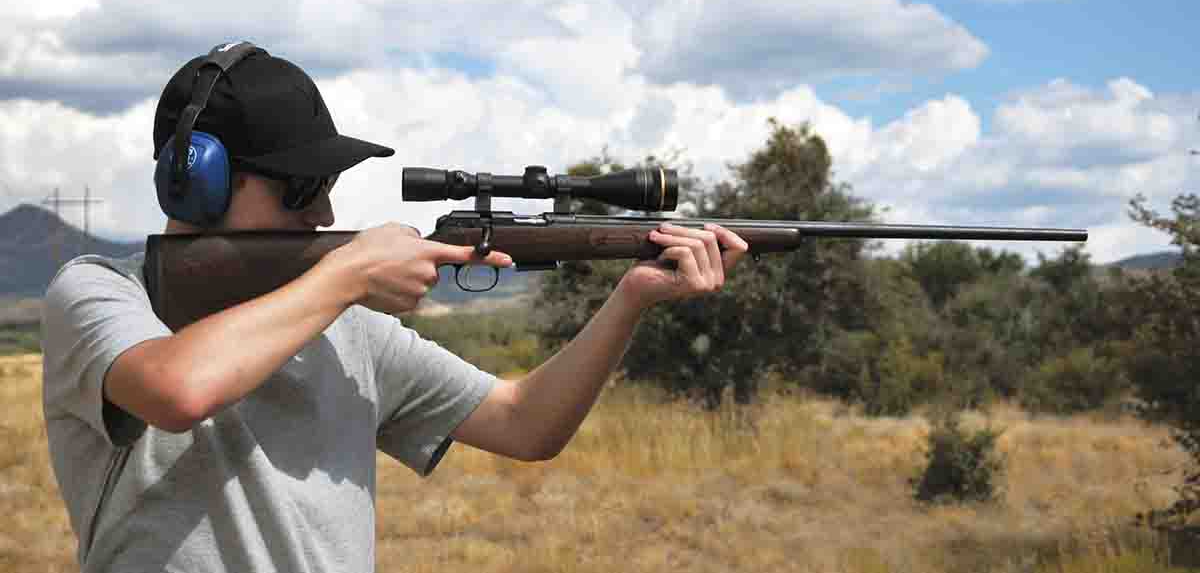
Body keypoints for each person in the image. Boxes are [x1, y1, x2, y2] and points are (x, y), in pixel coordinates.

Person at [40, 43, 749, 572]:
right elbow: (177, 389)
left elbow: (526, 423)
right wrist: (347, 275)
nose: (324, 213)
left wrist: (630, 298)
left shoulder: (347, 326)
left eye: (328, 186)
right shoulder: (103, 292)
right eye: (301, 187)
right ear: (197, 181)